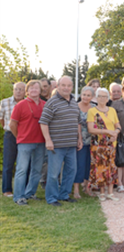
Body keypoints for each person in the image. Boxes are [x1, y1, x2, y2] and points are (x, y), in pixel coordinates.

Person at [39, 76, 83, 206]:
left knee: (71, 171)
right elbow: (43, 122)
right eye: (63, 85)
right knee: (53, 173)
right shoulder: (52, 102)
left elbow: (78, 121)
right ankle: (52, 198)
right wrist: (48, 140)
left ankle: (64, 194)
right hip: (56, 146)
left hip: (71, 145)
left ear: (72, 87)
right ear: (58, 86)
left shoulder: (74, 101)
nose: (66, 88)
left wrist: (79, 138)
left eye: (69, 86)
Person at [10, 80, 46, 205]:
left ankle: (30, 193)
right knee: (22, 170)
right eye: (31, 88)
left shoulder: (45, 105)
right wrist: (19, 137)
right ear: (27, 91)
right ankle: (19, 197)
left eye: (36, 88)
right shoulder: (20, 105)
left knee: (36, 170)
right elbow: (12, 124)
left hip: (41, 142)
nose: (34, 90)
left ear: (40, 90)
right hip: (25, 142)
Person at [87, 88, 121, 201]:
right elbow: (91, 129)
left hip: (111, 143)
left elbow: (118, 126)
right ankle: (102, 193)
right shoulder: (92, 111)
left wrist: (115, 133)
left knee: (111, 167)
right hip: (98, 144)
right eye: (100, 96)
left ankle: (110, 193)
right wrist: (106, 132)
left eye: (105, 96)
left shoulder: (112, 110)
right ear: (96, 98)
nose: (102, 99)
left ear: (108, 98)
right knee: (101, 168)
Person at [1, 82, 25, 197]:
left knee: (24, 164)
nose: (19, 91)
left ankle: (23, 188)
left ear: (25, 91)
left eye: (21, 89)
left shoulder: (27, 103)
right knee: (8, 163)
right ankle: (7, 189)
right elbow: (1, 120)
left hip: (25, 136)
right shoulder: (4, 102)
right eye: (16, 89)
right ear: (13, 90)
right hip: (10, 136)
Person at [73, 87, 95, 199]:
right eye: (84, 94)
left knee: (89, 165)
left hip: (92, 140)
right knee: (79, 165)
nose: (85, 97)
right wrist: (79, 139)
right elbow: (77, 124)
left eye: (88, 95)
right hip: (79, 140)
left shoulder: (94, 108)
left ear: (92, 97)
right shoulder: (75, 107)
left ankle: (87, 187)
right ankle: (76, 189)